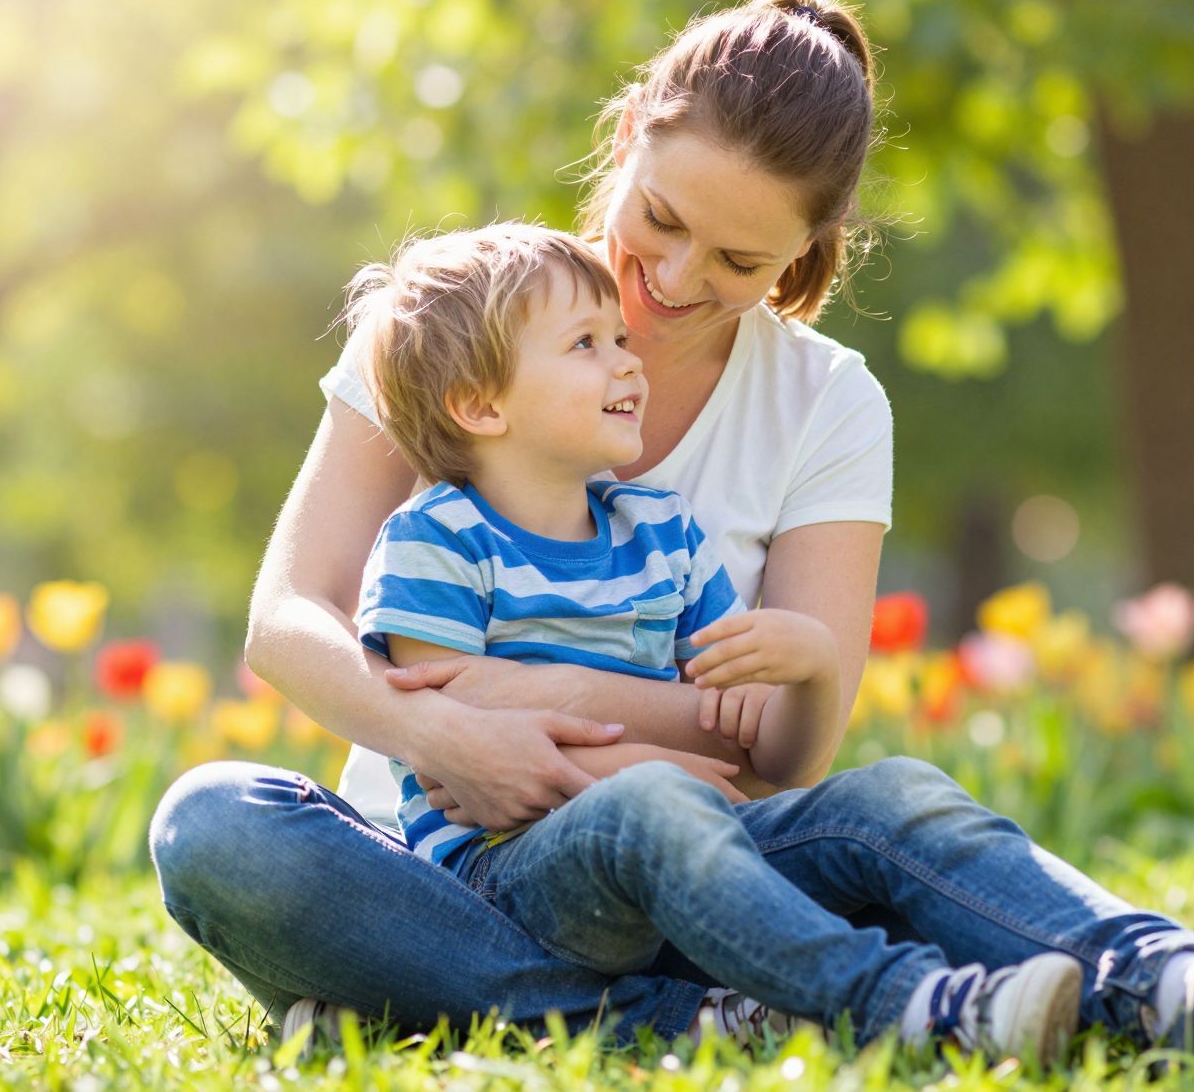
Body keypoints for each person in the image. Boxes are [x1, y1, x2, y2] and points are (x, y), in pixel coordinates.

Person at [147, 0, 1194, 1069]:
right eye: (662, 219)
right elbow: (287, 621)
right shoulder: (454, 329)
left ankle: (1172, 984)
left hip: (700, 862)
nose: (672, 282)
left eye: (737, 258)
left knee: (890, 799)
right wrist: (456, 735)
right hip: (426, 870)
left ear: (807, 249)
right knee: (212, 825)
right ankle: (679, 1015)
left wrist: (562, 696)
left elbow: (784, 754)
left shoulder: (826, 402)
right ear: (629, 138)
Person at [332, 219, 1085, 1058]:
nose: (627, 361)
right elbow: (455, 737)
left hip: (685, 847)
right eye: (586, 343)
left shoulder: (665, 532)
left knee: (897, 790)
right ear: (479, 403)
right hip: (505, 877)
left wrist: (814, 674)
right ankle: (907, 1005)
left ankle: (1128, 975)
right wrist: (647, 774)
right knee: (652, 807)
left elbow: (757, 745)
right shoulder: (435, 538)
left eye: (619, 336)